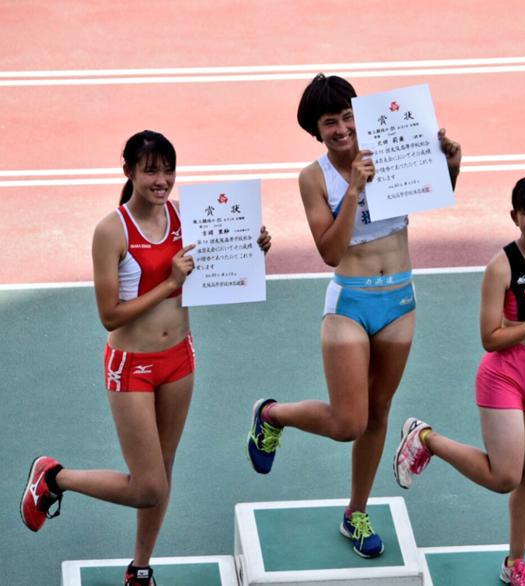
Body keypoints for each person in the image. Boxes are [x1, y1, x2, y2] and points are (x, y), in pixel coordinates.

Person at [20, 130, 272, 586]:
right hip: (131, 366)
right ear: (129, 172)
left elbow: (220, 264)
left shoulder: (187, 217)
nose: (161, 180)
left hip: (179, 359)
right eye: (151, 170)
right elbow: (109, 316)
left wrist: (250, 247)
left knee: (164, 470)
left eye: (168, 170)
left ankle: (139, 568)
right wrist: (170, 284)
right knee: (149, 486)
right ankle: (55, 478)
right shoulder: (111, 231)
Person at [247, 74, 461, 558]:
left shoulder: (389, 150)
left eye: (348, 117)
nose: (342, 128)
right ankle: (272, 414)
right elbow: (329, 251)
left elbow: (434, 189)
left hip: (399, 300)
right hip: (350, 302)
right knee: (348, 422)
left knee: (379, 412)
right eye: (330, 122)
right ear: (316, 130)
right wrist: (355, 191)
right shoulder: (313, 178)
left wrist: (450, 162)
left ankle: (356, 513)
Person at [393, 175, 525, 585]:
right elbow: (490, 338)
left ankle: (515, 563)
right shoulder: (501, 266)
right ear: (514, 216)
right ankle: (425, 439)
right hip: (505, 375)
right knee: (506, 477)